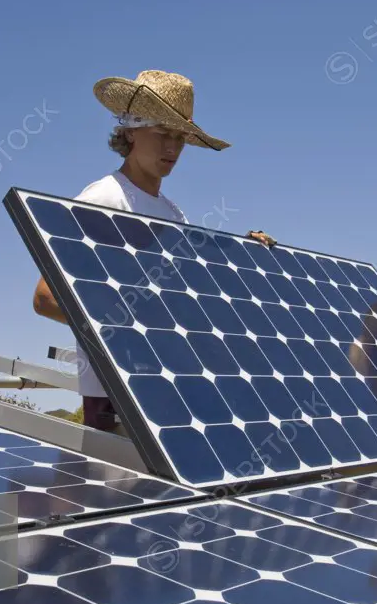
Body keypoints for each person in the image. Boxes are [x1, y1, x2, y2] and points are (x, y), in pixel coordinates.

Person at [33, 69, 276, 434]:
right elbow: (46, 298)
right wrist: (133, 330)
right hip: (118, 394)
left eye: (180, 137)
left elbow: (186, 296)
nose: (173, 148)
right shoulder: (105, 199)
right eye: (162, 134)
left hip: (174, 387)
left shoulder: (173, 213)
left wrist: (241, 258)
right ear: (130, 130)